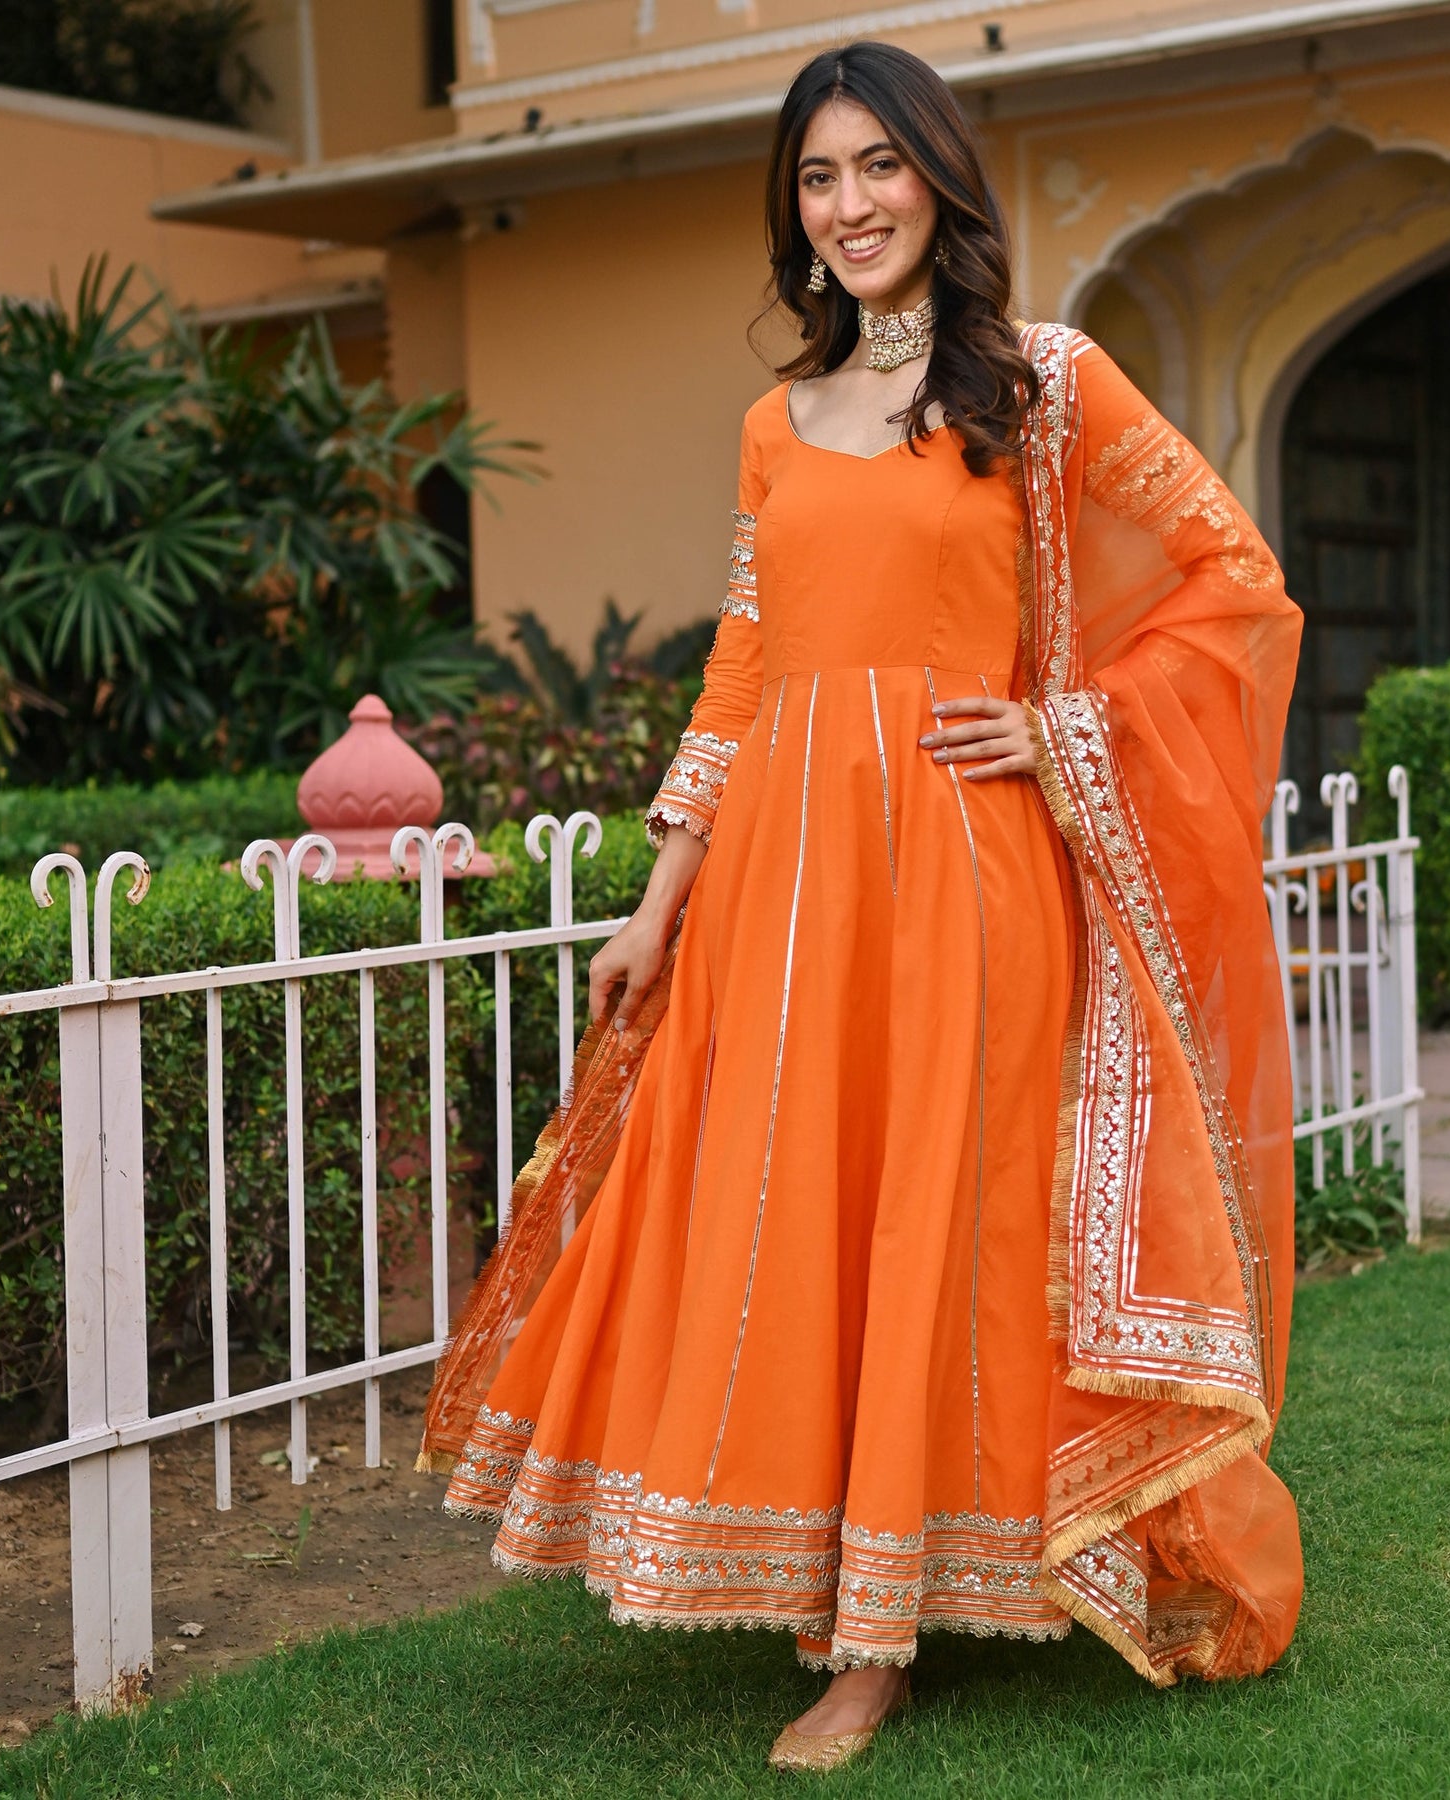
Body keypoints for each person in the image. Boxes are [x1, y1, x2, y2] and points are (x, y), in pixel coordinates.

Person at [421, 39, 1305, 1775]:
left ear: (938, 180)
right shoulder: (777, 420)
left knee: (929, 1229)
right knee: (798, 1219)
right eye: (818, 179)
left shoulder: (1042, 388)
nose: (850, 206)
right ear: (796, 212)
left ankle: (877, 1640)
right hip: (773, 891)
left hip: (962, 883)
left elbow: (1236, 582)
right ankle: (830, 1578)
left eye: (878, 168)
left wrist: (1065, 725)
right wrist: (658, 902)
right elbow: (745, 672)